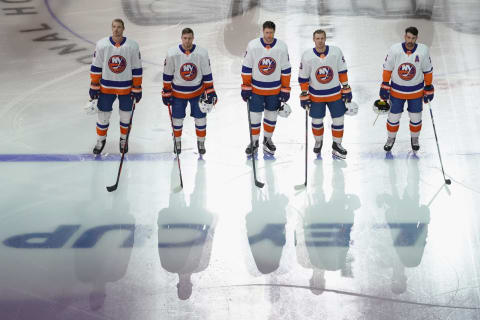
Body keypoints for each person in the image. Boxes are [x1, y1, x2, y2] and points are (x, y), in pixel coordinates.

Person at [89, 18, 143, 154]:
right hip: (106, 88)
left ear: (123, 28)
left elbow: (137, 68)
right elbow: (96, 66)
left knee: (126, 116)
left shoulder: (132, 46)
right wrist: (94, 85)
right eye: (114, 26)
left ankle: (123, 139)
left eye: (119, 27)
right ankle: (101, 140)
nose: (116, 29)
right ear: (111, 28)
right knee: (103, 116)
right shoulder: (102, 45)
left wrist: (137, 87)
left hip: (126, 88)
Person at [161, 28, 218, 155]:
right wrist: (166, 91)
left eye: (189, 38)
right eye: (185, 38)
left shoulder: (201, 53)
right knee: (177, 119)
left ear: (193, 38)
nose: (187, 41)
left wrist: (210, 91)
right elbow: (167, 74)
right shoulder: (172, 53)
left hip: (197, 92)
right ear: (181, 38)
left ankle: (201, 142)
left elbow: (207, 73)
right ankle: (177, 141)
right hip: (177, 93)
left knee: (201, 119)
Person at [298, 29, 352, 159]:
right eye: (317, 38)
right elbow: (303, 77)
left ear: (325, 39)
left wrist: (346, 88)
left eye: (322, 38)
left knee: (338, 120)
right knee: (317, 121)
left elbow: (342, 71)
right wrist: (304, 94)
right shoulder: (307, 56)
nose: (320, 41)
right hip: (316, 96)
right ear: (313, 39)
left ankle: (337, 145)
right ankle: (318, 140)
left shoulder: (336, 52)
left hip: (335, 94)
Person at [380, 26, 434, 152]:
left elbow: (427, 71)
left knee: (416, 118)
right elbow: (388, 68)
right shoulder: (395, 49)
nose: (410, 41)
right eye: (408, 37)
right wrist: (384, 84)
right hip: (396, 92)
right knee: (393, 117)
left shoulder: (423, 50)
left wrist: (429, 86)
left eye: (413, 38)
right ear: (404, 36)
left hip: (415, 92)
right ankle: (390, 138)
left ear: (417, 38)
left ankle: (415, 139)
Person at [241, 21, 291, 156]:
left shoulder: (281, 47)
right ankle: (254, 141)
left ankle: (268, 140)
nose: (269, 35)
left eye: (271, 33)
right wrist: (246, 86)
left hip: (274, 90)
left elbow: (286, 70)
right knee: (255, 117)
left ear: (274, 32)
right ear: (263, 31)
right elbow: (246, 67)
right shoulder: (253, 46)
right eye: (267, 32)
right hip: (256, 90)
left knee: (271, 116)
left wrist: (285, 89)